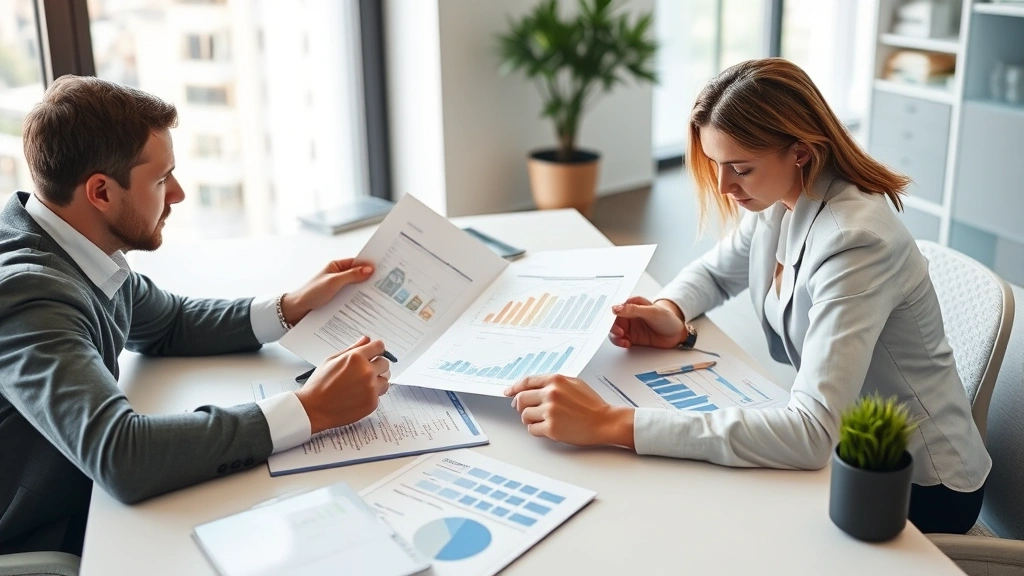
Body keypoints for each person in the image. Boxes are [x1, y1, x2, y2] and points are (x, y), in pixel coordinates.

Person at [504, 58, 990, 535]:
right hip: (848, 451)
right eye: (716, 164)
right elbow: (715, 273)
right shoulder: (780, 198)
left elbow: (811, 435)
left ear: (800, 150)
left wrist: (612, 423)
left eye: (739, 168)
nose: (723, 186)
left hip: (917, 484)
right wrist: (669, 312)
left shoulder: (855, 242)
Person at [0, 76, 392, 555]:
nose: (179, 193)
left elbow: (169, 322)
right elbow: (123, 456)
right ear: (100, 192)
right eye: (162, 178)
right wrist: (312, 409)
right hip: (37, 539)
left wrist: (290, 307)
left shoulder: (73, 244)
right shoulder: (28, 293)